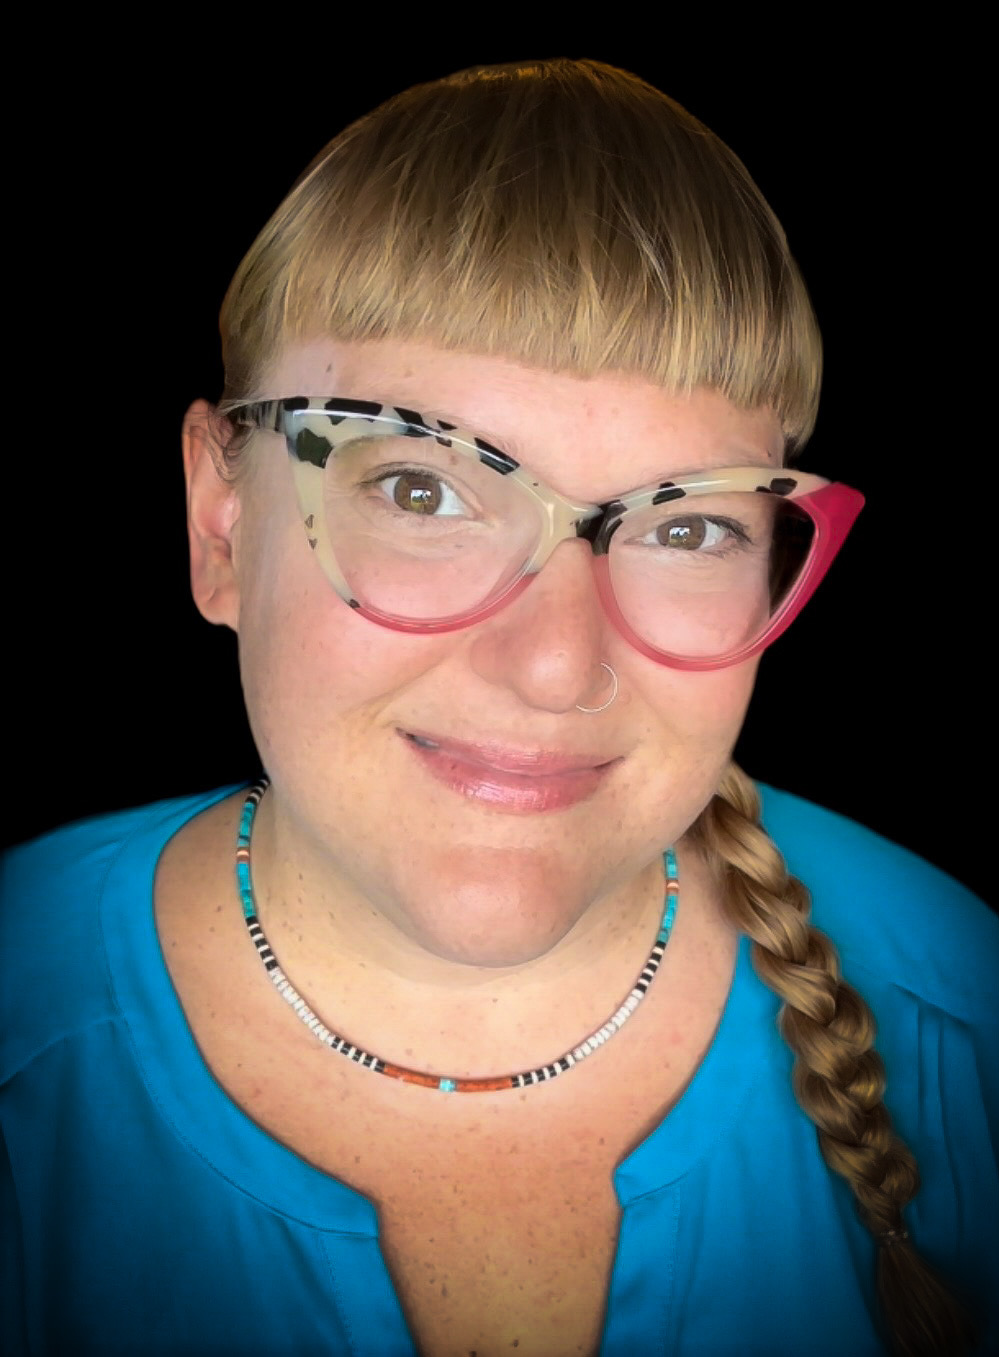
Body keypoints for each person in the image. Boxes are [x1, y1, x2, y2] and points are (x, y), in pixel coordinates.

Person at [1, 56, 995, 1357]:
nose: (554, 664)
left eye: (686, 524)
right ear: (219, 521)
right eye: (421, 491)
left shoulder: (967, 1009)